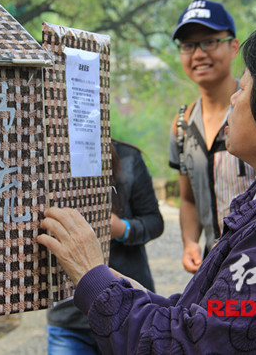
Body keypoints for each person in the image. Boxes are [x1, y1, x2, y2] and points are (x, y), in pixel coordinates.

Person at [38, 16, 256, 354]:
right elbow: (217, 321)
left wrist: (92, 274)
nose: (234, 101)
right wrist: (122, 287)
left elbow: (187, 347)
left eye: (243, 88)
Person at [45, 139, 164, 354]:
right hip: (69, 316)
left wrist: (122, 229)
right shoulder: (49, 158)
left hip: (127, 310)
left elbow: (154, 221)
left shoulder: (127, 157)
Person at [168, 0, 256, 273]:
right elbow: (188, 199)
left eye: (209, 42)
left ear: (233, 46)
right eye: (188, 46)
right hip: (212, 265)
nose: (198, 54)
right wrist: (190, 242)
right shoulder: (182, 125)